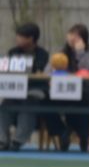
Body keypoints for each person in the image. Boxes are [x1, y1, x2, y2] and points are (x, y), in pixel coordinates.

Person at [0, 22, 53, 151]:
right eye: (18, 36)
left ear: (31, 39)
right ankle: (2, 140)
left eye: (21, 37)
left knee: (28, 104)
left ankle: (18, 141)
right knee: (5, 106)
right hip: (16, 89)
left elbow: (39, 69)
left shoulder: (42, 54)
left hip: (35, 90)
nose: (17, 39)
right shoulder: (13, 52)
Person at [58, 23, 89, 152]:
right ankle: (67, 132)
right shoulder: (62, 53)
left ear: (84, 39)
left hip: (86, 90)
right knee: (56, 100)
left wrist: (79, 53)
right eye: (71, 34)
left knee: (82, 99)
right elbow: (50, 69)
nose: (72, 38)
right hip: (64, 91)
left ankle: (79, 135)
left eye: (77, 36)